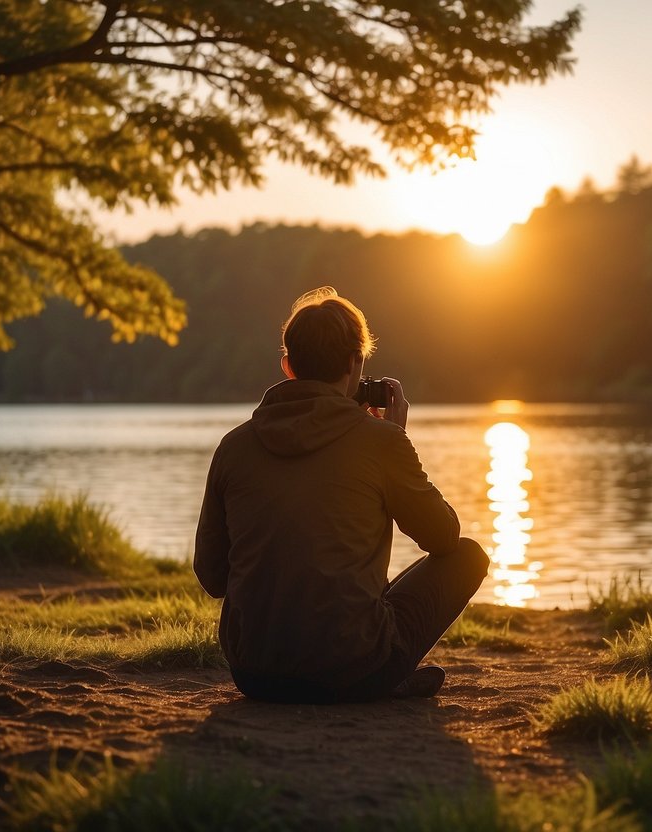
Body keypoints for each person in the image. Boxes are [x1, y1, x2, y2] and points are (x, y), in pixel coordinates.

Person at [193, 287, 489, 703]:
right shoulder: (380, 442)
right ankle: (381, 680)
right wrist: (395, 438)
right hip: (351, 670)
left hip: (254, 674)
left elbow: (212, 577)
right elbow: (444, 538)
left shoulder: (234, 446)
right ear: (356, 362)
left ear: (287, 365)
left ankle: (377, 677)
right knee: (468, 555)